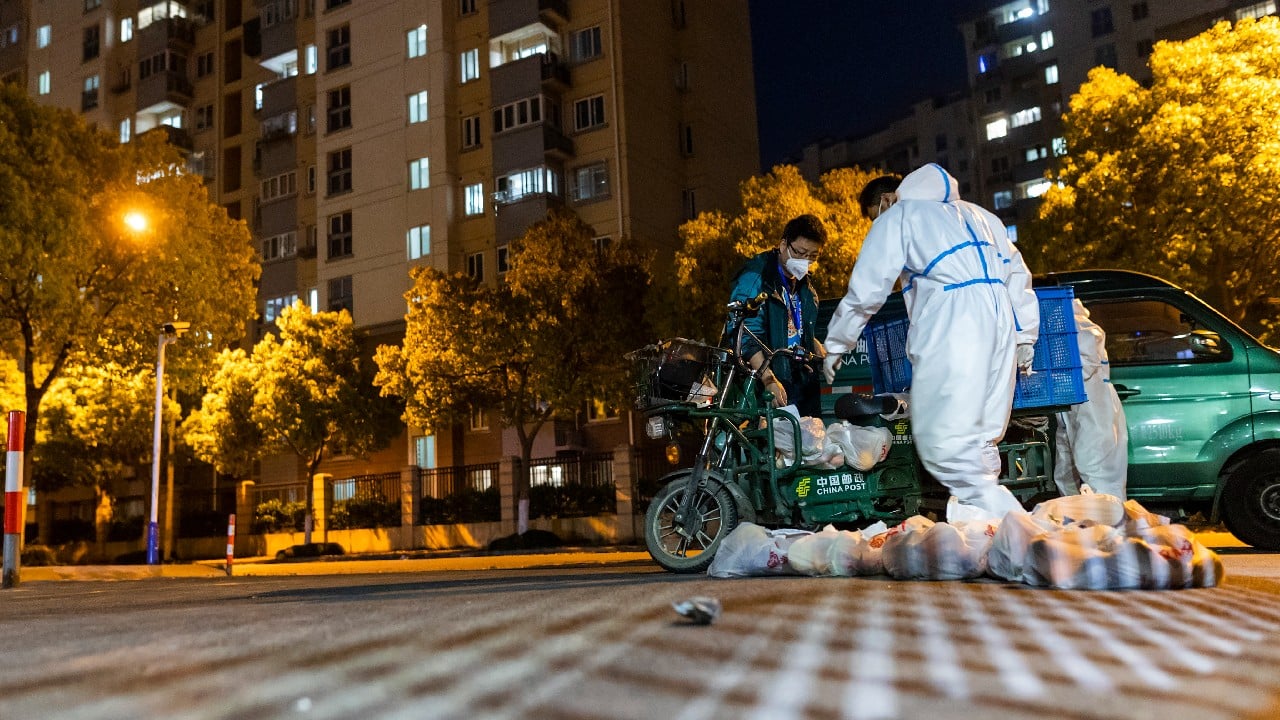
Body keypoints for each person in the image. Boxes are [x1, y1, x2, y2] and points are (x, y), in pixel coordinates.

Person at [822, 163, 1040, 520]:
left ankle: (1005, 515)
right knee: (983, 433)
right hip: (1000, 318)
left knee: (940, 440)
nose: (875, 222)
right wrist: (1024, 336)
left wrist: (838, 342)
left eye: (873, 214)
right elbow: (1018, 275)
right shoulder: (982, 215)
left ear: (888, 199)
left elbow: (867, 289)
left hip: (953, 317)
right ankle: (987, 530)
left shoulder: (900, 217)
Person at [728, 213, 828, 417]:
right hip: (764, 385)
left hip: (800, 381)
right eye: (800, 253)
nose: (805, 262)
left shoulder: (805, 287)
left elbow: (792, 326)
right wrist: (768, 380)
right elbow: (744, 334)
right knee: (771, 445)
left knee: (808, 444)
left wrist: (813, 344)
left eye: (812, 256)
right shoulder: (757, 278)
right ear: (783, 245)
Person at [1054, 298, 1129, 500]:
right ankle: (1086, 522)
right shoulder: (1078, 324)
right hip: (1083, 403)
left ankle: (1109, 524)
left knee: (1097, 468)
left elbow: (1085, 366)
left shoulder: (1078, 327)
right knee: (1072, 470)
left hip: (1093, 403)